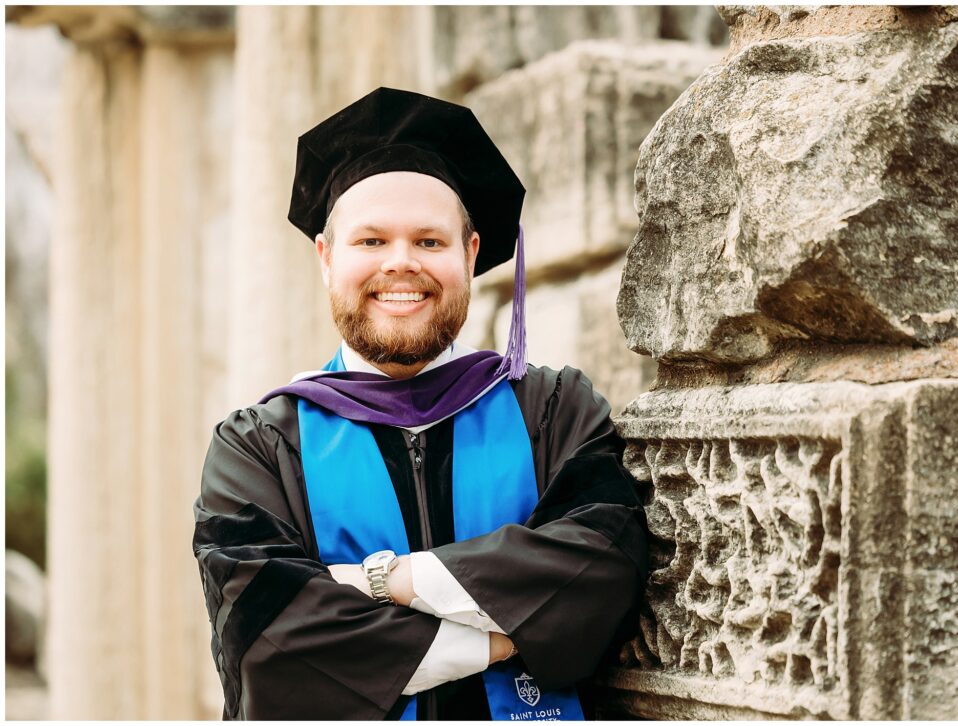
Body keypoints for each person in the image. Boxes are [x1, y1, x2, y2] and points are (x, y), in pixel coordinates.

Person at [192, 87, 648, 721]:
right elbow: (271, 641)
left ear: (469, 253)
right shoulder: (261, 448)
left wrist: (381, 581)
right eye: (371, 241)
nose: (401, 264)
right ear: (326, 258)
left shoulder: (551, 410)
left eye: (429, 242)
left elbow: (602, 570)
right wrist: (504, 635)